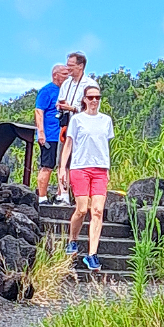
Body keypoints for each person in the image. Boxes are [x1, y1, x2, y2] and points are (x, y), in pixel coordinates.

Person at [61, 78, 113, 270]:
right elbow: (68, 144)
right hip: (80, 167)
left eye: (97, 97)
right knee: (82, 209)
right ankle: (73, 239)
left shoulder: (106, 120)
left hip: (100, 168)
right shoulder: (77, 120)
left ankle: (92, 254)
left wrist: (107, 169)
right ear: (84, 99)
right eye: (91, 97)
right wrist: (62, 169)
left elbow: (105, 145)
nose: (94, 101)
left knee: (97, 211)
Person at [34, 62, 66, 200]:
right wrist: (41, 132)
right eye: (64, 74)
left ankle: (61, 194)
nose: (67, 76)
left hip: (63, 135)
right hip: (50, 135)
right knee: (47, 166)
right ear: (55, 75)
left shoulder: (66, 91)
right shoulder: (46, 91)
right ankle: (42, 197)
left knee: (63, 166)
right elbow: (39, 111)